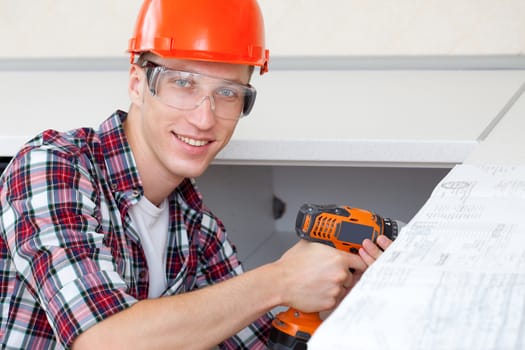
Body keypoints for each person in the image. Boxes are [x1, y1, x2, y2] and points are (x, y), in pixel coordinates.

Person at [0, 0, 392, 349]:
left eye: (228, 93)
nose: (205, 119)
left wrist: (334, 304)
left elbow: (252, 340)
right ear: (137, 84)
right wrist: (281, 280)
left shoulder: (197, 228)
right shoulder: (52, 167)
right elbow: (102, 339)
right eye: (183, 83)